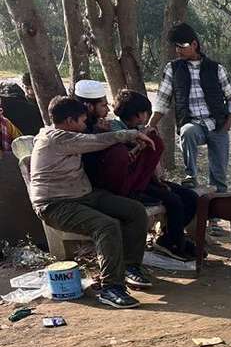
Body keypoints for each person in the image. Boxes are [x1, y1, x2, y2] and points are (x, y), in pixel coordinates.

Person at [29, 96, 156, 309]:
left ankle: (130, 267)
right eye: (81, 120)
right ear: (69, 121)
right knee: (106, 226)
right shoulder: (57, 138)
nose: (85, 124)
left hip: (83, 195)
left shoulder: (68, 134)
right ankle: (110, 288)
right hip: (54, 204)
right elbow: (96, 142)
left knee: (134, 210)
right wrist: (131, 134)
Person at [97, 89, 199, 259]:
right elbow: (125, 158)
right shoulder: (114, 129)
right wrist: (142, 142)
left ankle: (170, 237)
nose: (146, 117)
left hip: (147, 179)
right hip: (130, 184)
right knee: (173, 201)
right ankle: (174, 243)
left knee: (190, 197)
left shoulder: (139, 128)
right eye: (145, 113)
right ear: (138, 115)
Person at [148, 23, 231, 195]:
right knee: (187, 131)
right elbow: (162, 101)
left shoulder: (216, 69)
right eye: (176, 47)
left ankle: (215, 218)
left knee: (219, 177)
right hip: (192, 123)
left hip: (217, 125)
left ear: (194, 44)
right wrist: (151, 125)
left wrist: (228, 123)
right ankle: (191, 175)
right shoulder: (172, 69)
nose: (178, 51)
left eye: (181, 47)